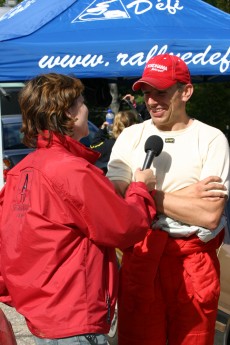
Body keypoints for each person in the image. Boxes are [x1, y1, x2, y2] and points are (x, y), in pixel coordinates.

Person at [0, 73, 157, 345]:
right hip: (74, 318)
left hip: (46, 317)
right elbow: (125, 227)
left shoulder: (21, 171)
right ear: (69, 114)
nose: (86, 108)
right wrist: (141, 189)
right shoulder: (71, 170)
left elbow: (11, 246)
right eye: (82, 102)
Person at [107, 54, 230, 345]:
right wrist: (186, 197)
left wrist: (145, 193)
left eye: (161, 92)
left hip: (193, 265)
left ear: (185, 92)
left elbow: (210, 215)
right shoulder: (131, 136)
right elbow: (114, 201)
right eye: (147, 93)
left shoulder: (211, 139)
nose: (151, 101)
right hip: (142, 261)